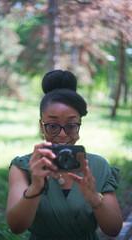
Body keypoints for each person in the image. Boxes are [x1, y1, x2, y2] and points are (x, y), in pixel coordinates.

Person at [6, 70, 123, 240]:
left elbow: (113, 230)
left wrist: (95, 199)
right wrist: (36, 186)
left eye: (71, 126)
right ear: (41, 126)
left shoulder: (97, 166)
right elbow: (16, 227)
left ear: (79, 126)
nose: (62, 135)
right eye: (52, 126)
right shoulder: (23, 167)